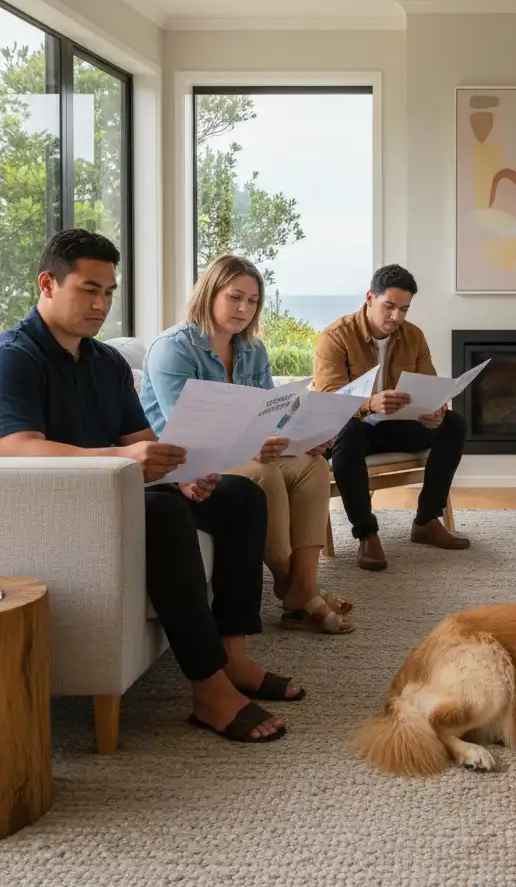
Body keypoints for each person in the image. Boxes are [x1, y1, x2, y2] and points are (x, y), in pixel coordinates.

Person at [0, 230, 301, 742]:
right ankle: (208, 691)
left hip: (121, 493)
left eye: (109, 292)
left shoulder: (106, 362)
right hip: (63, 507)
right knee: (162, 515)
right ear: (47, 284)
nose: (101, 304)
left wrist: (180, 474)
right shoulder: (15, 356)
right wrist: (125, 460)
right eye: (89, 289)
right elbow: (15, 446)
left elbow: (143, 441)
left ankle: (233, 658)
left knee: (242, 496)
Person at [140, 254, 350, 634]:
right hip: (189, 460)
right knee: (262, 474)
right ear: (210, 293)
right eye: (235, 297)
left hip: (246, 449)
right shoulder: (173, 349)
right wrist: (252, 443)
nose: (244, 309)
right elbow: (187, 429)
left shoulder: (253, 350)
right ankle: (301, 591)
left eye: (252, 301)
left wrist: (304, 435)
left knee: (312, 466)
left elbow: (272, 410)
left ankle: (301, 588)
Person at [314, 264, 469, 571]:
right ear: (370, 298)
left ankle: (426, 520)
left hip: (398, 427)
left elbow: (430, 387)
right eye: (389, 307)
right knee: (349, 433)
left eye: (404, 309)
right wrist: (370, 403)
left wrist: (435, 412)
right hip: (354, 430)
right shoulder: (335, 336)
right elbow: (329, 397)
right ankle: (367, 534)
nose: (396, 317)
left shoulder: (413, 336)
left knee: (455, 424)